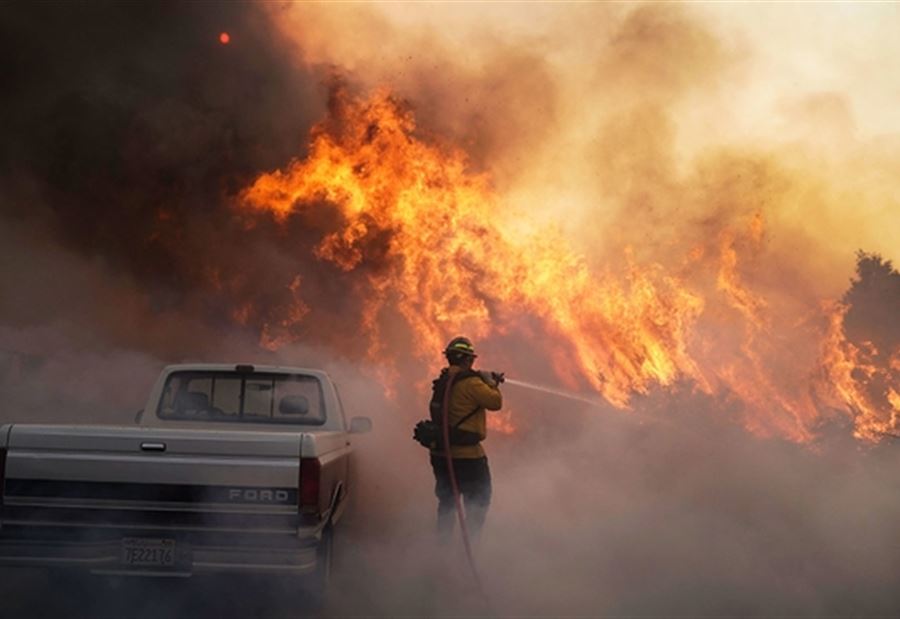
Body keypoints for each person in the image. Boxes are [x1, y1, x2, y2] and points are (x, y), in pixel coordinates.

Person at [429, 336, 502, 543]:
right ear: (468, 360)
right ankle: (470, 546)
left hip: (442, 455)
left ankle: (442, 548)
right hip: (468, 458)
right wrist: (492, 383)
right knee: (478, 502)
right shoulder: (471, 383)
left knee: (447, 503)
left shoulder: (443, 381)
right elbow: (495, 402)